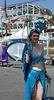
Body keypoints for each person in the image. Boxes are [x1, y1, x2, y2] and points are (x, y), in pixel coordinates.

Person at [21, 21, 50, 100]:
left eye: (37, 36)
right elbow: (26, 61)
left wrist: (45, 72)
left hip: (41, 73)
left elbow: (42, 61)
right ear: (30, 37)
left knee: (39, 97)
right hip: (32, 73)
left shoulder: (41, 46)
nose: (36, 37)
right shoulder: (28, 47)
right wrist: (27, 48)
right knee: (33, 96)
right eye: (34, 36)